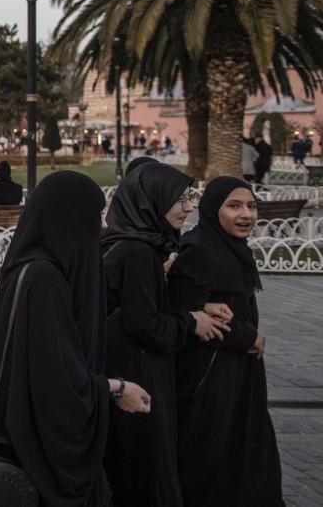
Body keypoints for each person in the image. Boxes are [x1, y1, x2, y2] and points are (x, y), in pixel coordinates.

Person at [0, 171, 152, 507]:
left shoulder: (32, 267)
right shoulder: (44, 278)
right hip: (34, 448)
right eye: (96, 215)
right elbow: (56, 379)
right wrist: (117, 388)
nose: (102, 226)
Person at [101, 163, 229, 506]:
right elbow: (146, 325)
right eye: (180, 199)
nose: (188, 208)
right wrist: (191, 320)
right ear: (152, 201)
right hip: (135, 375)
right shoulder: (137, 252)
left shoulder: (125, 244)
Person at [167, 177, 284, 506]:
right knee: (209, 467)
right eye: (233, 206)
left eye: (251, 206)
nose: (245, 214)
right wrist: (249, 335)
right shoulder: (200, 251)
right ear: (213, 209)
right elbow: (185, 315)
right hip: (208, 382)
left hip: (237, 376)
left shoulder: (231, 249)